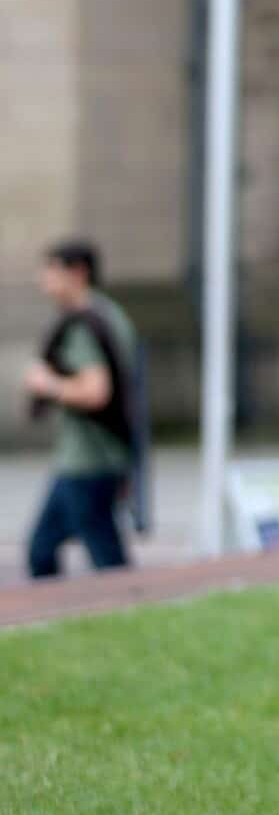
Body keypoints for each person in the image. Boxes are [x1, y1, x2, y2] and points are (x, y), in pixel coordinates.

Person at [22, 240, 139, 578]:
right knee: (42, 550)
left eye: (51, 270)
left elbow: (96, 391)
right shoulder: (107, 314)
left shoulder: (86, 324)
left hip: (90, 459)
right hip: (88, 458)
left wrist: (48, 384)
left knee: (105, 556)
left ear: (78, 273)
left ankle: (125, 607)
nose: (43, 279)